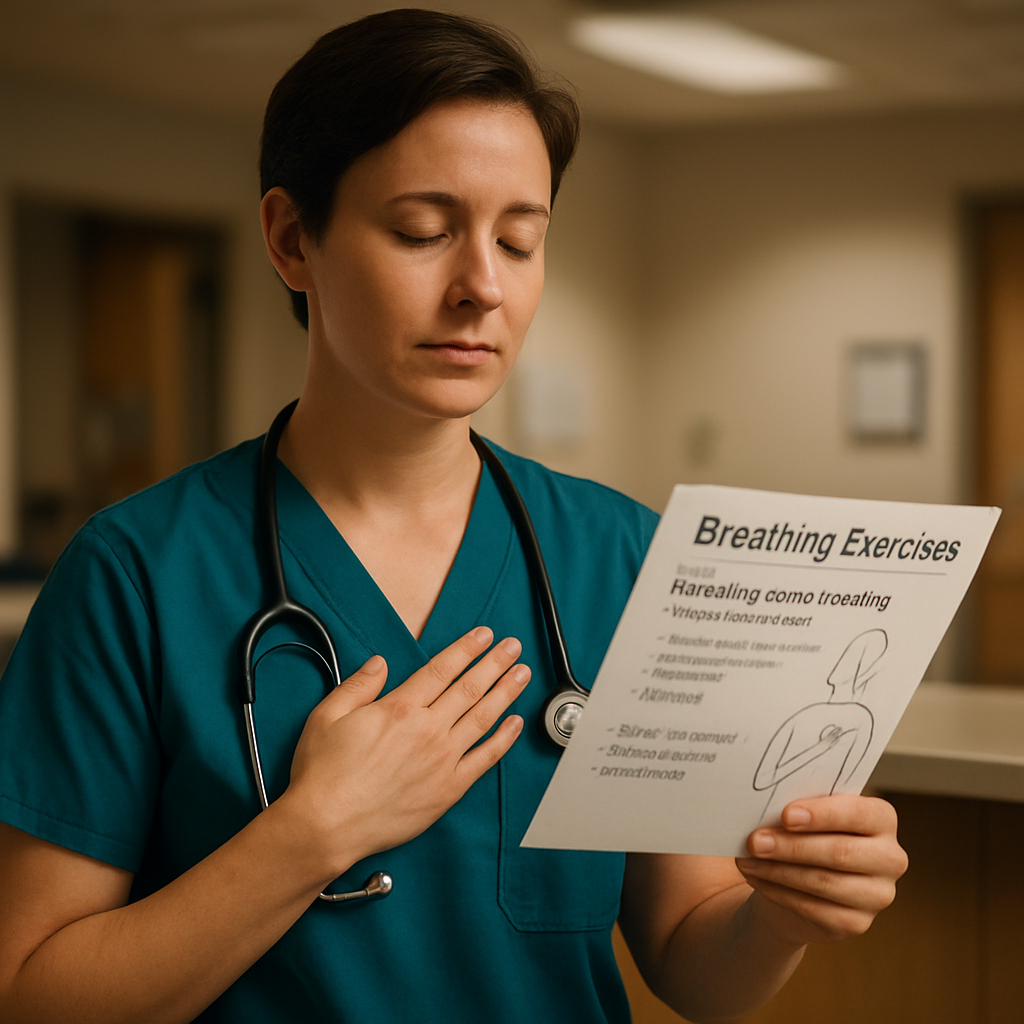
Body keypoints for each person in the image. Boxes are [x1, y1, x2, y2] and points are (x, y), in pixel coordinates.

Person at [0, 10, 907, 1023]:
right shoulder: (136, 575)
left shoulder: (620, 556)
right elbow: (35, 993)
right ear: (292, 239)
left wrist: (783, 911)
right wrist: (311, 834)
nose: (482, 286)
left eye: (519, 240)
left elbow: (691, 959)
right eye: (423, 233)